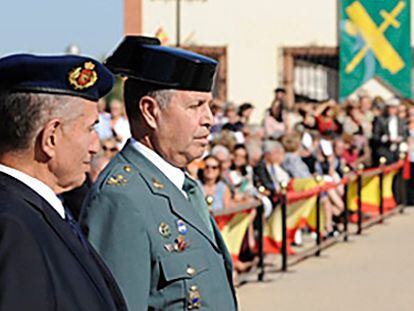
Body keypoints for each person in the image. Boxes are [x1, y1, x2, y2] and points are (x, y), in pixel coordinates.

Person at [80, 36, 237, 311]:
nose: (209, 118)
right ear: (151, 112)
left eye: (209, 106)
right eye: (195, 106)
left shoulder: (180, 185)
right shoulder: (122, 199)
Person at [0, 54, 126, 310]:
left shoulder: (36, 211)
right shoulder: (13, 227)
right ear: (51, 138)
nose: (95, 145)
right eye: (90, 129)